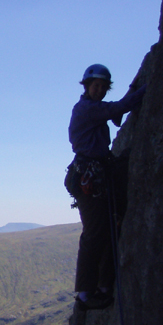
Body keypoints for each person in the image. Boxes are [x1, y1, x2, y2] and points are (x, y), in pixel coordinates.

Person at [66, 64, 146, 310]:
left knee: (110, 229)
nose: (99, 90)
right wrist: (146, 87)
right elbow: (118, 109)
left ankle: (102, 287)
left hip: (97, 175)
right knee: (94, 234)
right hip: (88, 177)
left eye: (103, 87)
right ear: (87, 87)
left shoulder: (95, 109)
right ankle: (84, 295)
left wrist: (133, 91)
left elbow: (117, 116)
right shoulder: (85, 109)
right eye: (95, 86)